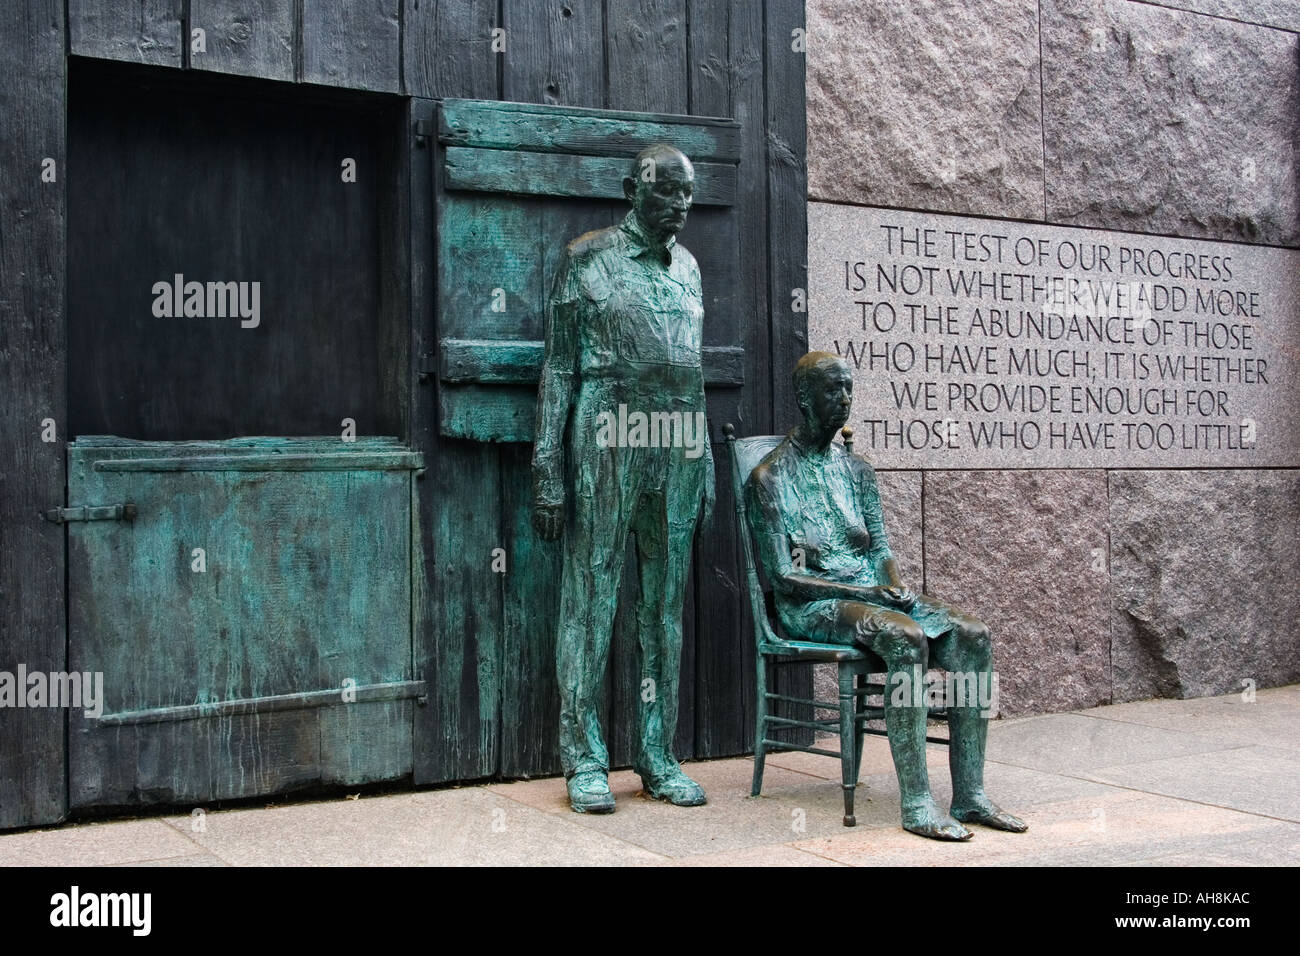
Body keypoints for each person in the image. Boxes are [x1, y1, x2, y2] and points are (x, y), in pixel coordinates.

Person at [744, 352, 1027, 840]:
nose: (845, 399)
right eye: (833, 390)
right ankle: (917, 801)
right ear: (804, 398)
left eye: (849, 389)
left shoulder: (858, 471)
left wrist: (891, 582)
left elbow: (881, 549)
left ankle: (971, 795)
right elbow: (786, 579)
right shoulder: (770, 478)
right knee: (906, 639)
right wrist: (867, 591)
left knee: (973, 636)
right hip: (813, 606)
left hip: (871, 592)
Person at [532, 144, 714, 813]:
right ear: (633, 191)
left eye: (689, 197)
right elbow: (557, 367)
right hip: (608, 434)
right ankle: (584, 759)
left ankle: (658, 755)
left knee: (663, 608)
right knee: (590, 593)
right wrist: (547, 463)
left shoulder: (690, 268)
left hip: (677, 447)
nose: (681, 208)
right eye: (669, 194)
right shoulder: (588, 258)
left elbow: (689, 369)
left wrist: (707, 458)